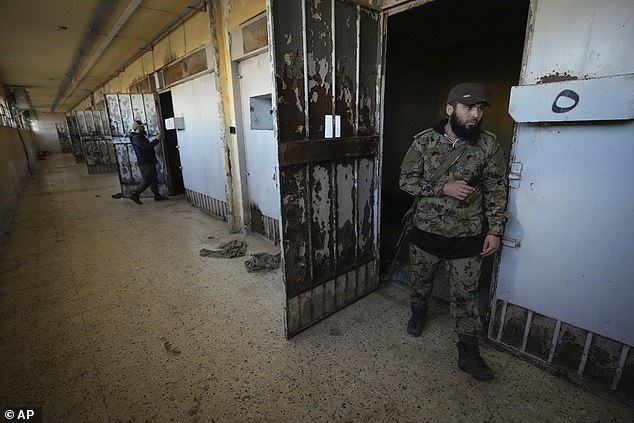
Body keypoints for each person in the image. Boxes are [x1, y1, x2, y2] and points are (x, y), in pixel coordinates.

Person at [398, 82, 508, 381]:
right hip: (426, 232)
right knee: (421, 281)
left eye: (480, 108)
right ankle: (418, 313)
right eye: (468, 107)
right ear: (450, 109)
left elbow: (497, 189)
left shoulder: (488, 145)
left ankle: (469, 353)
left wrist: (495, 230)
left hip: (467, 237)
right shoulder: (423, 142)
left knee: (466, 296)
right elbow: (405, 181)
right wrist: (442, 187)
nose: (476, 114)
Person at [128, 120, 168, 204]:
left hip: (148, 160)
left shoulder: (139, 136)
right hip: (145, 162)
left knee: (153, 179)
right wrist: (157, 139)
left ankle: (157, 195)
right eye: (142, 126)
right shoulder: (136, 137)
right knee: (147, 180)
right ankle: (135, 194)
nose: (144, 128)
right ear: (138, 128)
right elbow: (147, 147)